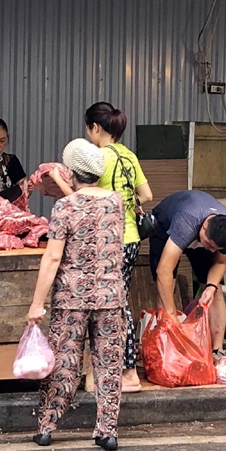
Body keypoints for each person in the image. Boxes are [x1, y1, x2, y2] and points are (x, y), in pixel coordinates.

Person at [27, 139, 126, 451]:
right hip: (111, 296)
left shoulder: (64, 208)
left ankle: (46, 427)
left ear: (70, 172)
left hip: (72, 297)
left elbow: (53, 258)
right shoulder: (116, 202)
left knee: (64, 362)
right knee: (108, 364)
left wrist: (36, 303)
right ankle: (107, 431)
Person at [50, 102, 152, 393]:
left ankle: (128, 371)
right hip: (130, 237)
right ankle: (112, 371)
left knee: (114, 308)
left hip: (109, 241)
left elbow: (82, 203)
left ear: (95, 128)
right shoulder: (129, 155)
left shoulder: (99, 158)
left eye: (87, 128)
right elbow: (147, 193)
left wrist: (58, 180)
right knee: (117, 301)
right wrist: (126, 205)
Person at [148, 190, 226, 355]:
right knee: (167, 284)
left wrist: (211, 287)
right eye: (210, 245)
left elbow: (220, 262)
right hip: (165, 226)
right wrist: (171, 315)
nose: (212, 250)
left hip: (198, 229)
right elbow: (164, 271)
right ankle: (166, 347)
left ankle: (217, 350)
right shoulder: (186, 222)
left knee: (216, 290)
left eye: (216, 248)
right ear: (204, 227)